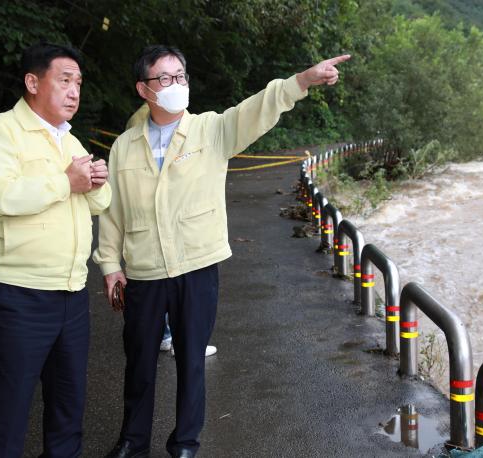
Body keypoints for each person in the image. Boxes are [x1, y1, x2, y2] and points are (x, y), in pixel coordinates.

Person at [93, 44, 349, 458]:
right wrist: (109, 265)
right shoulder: (124, 146)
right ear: (144, 89)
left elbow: (257, 108)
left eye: (181, 76)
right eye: (164, 78)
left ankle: (185, 443)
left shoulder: (212, 130)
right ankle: (131, 441)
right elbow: (112, 210)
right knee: (139, 361)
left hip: (196, 265)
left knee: (191, 359)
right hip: (144, 269)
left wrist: (302, 81)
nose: (176, 85)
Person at [0, 42, 111, 457]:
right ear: (32, 82)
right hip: (16, 292)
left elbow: (99, 204)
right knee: (5, 412)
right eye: (64, 80)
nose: (74, 91)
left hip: (72, 292)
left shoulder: (71, 141)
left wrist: (97, 180)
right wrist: (66, 182)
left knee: (68, 406)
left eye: (79, 82)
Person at [124, 108, 217, 359]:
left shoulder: (143, 116)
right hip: (163, 224)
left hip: (155, 229)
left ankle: (168, 337)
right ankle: (177, 339)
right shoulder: (148, 120)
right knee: (172, 285)